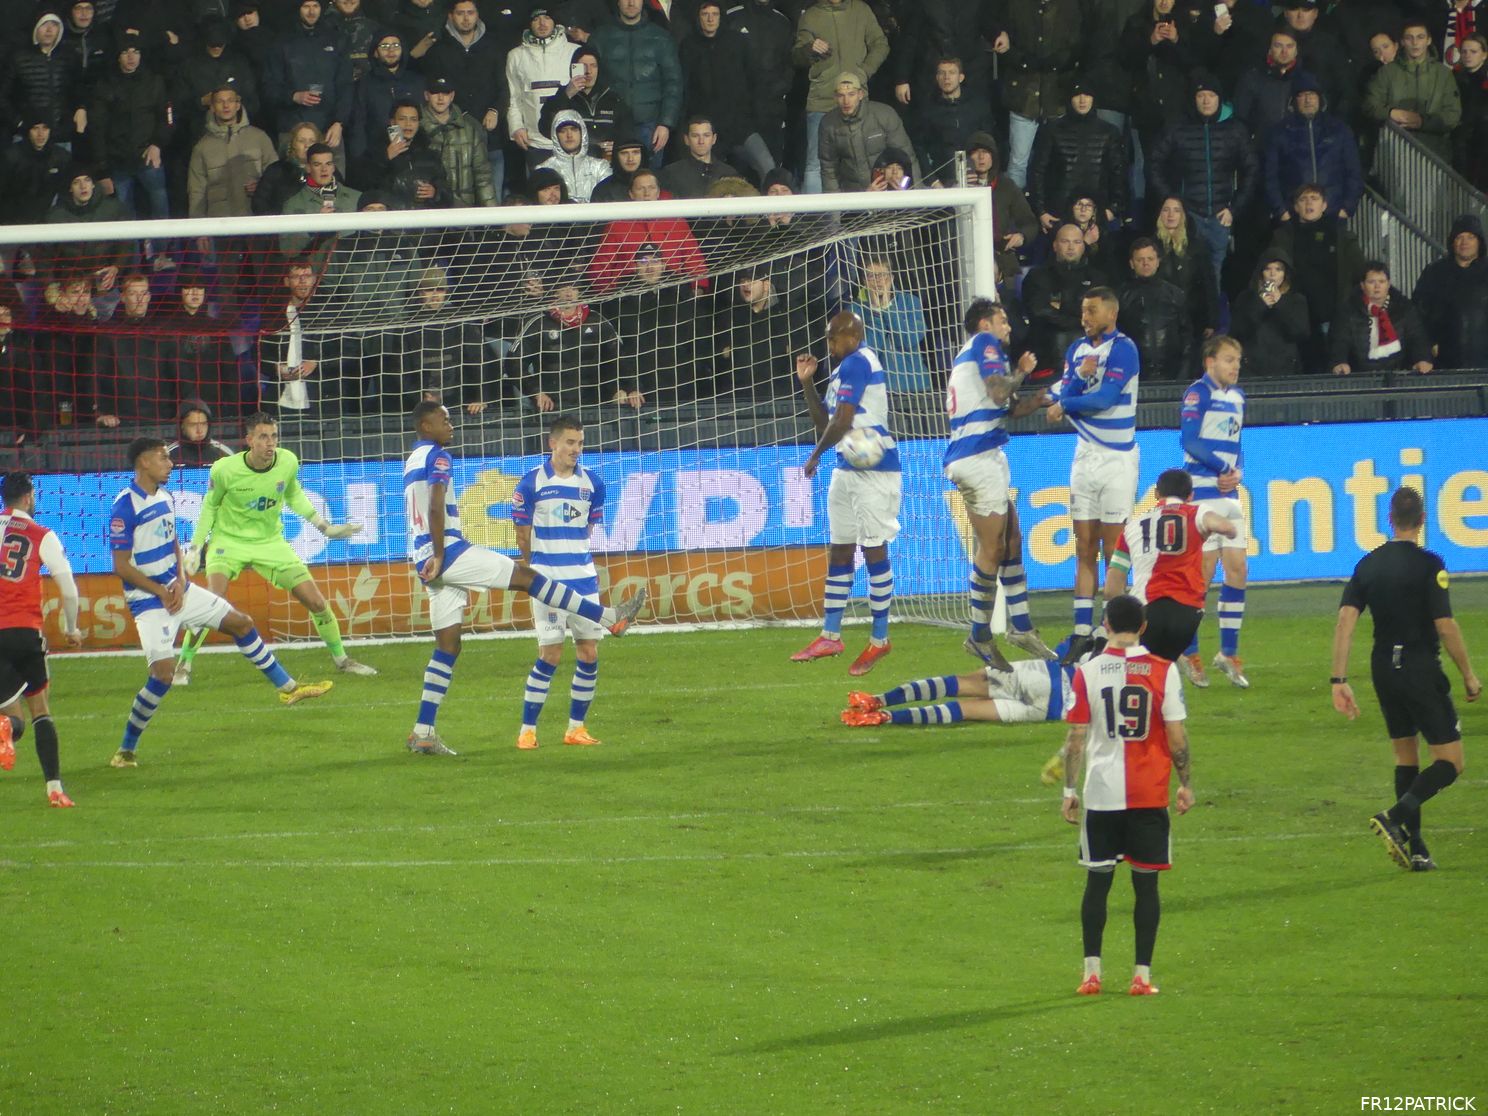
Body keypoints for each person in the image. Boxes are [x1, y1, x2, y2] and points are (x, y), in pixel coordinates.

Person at [403, 401, 646, 755]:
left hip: (422, 557)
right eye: (444, 419)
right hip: (446, 553)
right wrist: (441, 554)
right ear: (426, 426)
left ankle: (423, 731)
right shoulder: (439, 457)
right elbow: (436, 506)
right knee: (526, 576)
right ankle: (609, 616)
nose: (451, 424)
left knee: (449, 646)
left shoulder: (411, 459)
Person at [109, 437, 333, 769]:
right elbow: (121, 565)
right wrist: (161, 592)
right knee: (163, 675)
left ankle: (289, 688)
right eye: (162, 458)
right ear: (143, 463)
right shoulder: (125, 506)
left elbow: (172, 540)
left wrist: (183, 581)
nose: (169, 463)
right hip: (149, 601)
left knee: (241, 623)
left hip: (178, 590)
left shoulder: (166, 497)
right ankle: (125, 750)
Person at [1332, 486, 1482, 871]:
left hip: (1383, 667)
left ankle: (1416, 848)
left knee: (1406, 755)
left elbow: (1346, 621)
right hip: (1418, 666)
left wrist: (1338, 679)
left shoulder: (1368, 564)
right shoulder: (1430, 565)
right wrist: (1468, 674)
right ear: (1423, 520)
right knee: (1451, 761)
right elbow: (1445, 626)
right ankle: (1394, 817)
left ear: (1389, 520)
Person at [173, 411, 377, 685]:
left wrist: (324, 526)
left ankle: (343, 660)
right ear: (249, 440)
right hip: (228, 542)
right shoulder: (224, 469)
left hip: (270, 542)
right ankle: (183, 664)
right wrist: (197, 546)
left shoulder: (287, 462)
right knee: (212, 601)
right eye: (263, 437)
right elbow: (210, 506)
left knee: (315, 601)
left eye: (274, 437)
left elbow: (293, 495)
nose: (270, 443)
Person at [1060, 593, 1194, 998]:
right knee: (1146, 887)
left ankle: (1091, 974)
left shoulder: (1087, 671)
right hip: (1149, 795)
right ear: (1144, 626)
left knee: (1097, 882)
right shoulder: (1164, 670)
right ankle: (1142, 976)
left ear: (1104, 624)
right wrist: (1186, 783)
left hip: (1101, 794)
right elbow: (1177, 736)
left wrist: (1069, 789)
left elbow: (1076, 738)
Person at [944, 297, 1057, 670]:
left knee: (1011, 541)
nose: (1008, 326)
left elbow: (1005, 407)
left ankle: (1022, 627)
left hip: (984, 453)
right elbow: (999, 392)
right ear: (985, 324)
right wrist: (1023, 372)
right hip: (976, 458)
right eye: (1003, 319)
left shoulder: (973, 357)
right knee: (991, 548)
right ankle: (979, 636)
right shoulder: (983, 344)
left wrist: (1037, 400)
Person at [790, 311, 900, 676]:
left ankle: (880, 640)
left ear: (850, 335)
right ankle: (830, 635)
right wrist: (807, 383)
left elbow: (843, 422)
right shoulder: (840, 372)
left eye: (832, 338)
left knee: (873, 549)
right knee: (840, 549)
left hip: (874, 470)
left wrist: (814, 455)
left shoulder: (859, 362)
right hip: (847, 466)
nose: (829, 345)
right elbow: (826, 421)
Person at [1044, 287, 1140, 661]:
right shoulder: (1076, 350)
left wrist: (1065, 403)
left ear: (1111, 314)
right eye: (1083, 311)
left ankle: (1108, 630)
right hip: (1085, 456)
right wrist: (1076, 383)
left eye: (1092, 311)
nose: (1085, 317)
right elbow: (1068, 388)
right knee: (1084, 547)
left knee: (1113, 550)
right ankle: (1082, 632)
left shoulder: (1124, 349)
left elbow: (1105, 399)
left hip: (1117, 459)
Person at [510, 416, 612, 750]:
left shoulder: (594, 484)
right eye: (570, 442)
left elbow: (587, 531)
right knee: (550, 655)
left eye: (580, 443)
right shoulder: (530, 485)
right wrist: (538, 568)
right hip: (548, 583)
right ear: (552, 443)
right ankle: (527, 730)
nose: (576, 449)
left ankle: (576, 728)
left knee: (589, 652)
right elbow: (522, 535)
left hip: (583, 581)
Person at [0, 472, 83, 808]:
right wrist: (72, 628)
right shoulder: (40, 534)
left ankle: (6, 728)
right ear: (30, 497)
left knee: (9, 713)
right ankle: (54, 788)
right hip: (25, 632)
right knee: (41, 712)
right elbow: (68, 588)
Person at [1101, 467, 1237, 661]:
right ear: (1190, 495)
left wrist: (1115, 621)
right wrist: (1230, 532)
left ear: (1156, 493)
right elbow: (1225, 527)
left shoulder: (1132, 527)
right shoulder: (1196, 512)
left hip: (1146, 611)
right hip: (1188, 614)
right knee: (1164, 666)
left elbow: (1112, 586)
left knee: (1137, 670)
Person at [1179, 335, 1249, 687]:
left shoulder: (1238, 397)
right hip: (1202, 494)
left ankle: (1228, 653)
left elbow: (1237, 444)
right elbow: (1189, 441)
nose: (1235, 366)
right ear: (1210, 362)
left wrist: (1237, 471)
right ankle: (1190, 652)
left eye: (1237, 360)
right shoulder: (1197, 394)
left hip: (1229, 492)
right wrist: (1222, 469)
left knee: (1237, 571)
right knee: (1200, 580)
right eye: (1228, 359)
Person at [840, 650, 1087, 727]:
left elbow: (1067, 649)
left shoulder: (1104, 645)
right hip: (1051, 711)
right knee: (965, 710)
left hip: (1048, 677)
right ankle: (884, 718)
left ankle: (878, 701)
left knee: (960, 683)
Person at [793, 0, 890, 193]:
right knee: (815, 166)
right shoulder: (811, 15)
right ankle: (817, 223)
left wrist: (863, 72)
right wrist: (809, 49)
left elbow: (880, 44)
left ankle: (865, 218)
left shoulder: (861, 10)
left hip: (856, 102)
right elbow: (797, 57)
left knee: (862, 161)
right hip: (822, 100)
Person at [589, 0, 684, 168]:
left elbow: (673, 84)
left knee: (648, 183)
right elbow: (590, 83)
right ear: (617, 3)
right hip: (609, 124)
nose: (631, 2)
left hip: (650, 124)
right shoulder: (600, 37)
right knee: (609, 179)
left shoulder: (661, 38)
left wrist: (666, 124)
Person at [1364, 17, 1462, 161]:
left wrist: (1422, 122)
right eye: (1409, 38)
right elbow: (1369, 106)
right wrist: (1390, 113)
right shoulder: (1387, 72)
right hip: (1394, 152)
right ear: (1402, 42)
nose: (1415, 43)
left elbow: (1452, 115)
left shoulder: (1443, 74)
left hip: (1435, 154)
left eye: (1420, 37)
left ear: (1428, 40)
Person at [817, 72, 921, 193]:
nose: (846, 101)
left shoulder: (884, 114)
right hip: (854, 198)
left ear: (860, 94)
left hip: (890, 192)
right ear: (835, 97)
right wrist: (835, 209)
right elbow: (829, 171)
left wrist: (909, 194)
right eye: (841, 95)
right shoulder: (828, 124)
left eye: (851, 94)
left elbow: (907, 158)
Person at [188, 86, 279, 219]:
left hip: (256, 220)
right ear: (212, 107)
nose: (226, 105)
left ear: (238, 105)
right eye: (220, 101)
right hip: (219, 223)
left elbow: (276, 178)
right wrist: (199, 230)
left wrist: (261, 187)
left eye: (230, 100)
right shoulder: (202, 147)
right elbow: (196, 192)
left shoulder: (259, 137)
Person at [1329, 261, 1433, 375]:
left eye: (1382, 281)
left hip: (1399, 375)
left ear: (1388, 284)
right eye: (1371, 282)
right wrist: (1339, 362)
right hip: (1358, 376)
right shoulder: (1347, 311)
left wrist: (1422, 359)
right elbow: (1340, 341)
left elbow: (1417, 337)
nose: (1377, 286)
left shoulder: (1405, 308)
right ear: (1362, 285)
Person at [505, 5, 574, 170]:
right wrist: (516, 127)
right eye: (536, 19)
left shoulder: (574, 52)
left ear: (555, 22)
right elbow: (513, 97)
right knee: (541, 192)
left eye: (547, 18)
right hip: (534, 142)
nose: (542, 24)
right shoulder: (515, 56)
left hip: (570, 141)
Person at [848, 255, 928, 393]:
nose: (877, 281)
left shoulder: (910, 302)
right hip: (876, 391)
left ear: (891, 277)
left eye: (882, 275)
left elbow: (907, 340)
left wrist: (887, 308)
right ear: (864, 281)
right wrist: (877, 311)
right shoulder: (855, 310)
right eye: (871, 276)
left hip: (915, 388)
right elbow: (868, 352)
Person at [1228, 249, 1309, 377]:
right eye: (1268, 269)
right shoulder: (1246, 298)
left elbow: (1300, 332)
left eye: (1278, 269)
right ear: (1261, 273)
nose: (1272, 274)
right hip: (1251, 369)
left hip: (1285, 369)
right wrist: (1260, 305)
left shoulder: (1296, 300)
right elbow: (1237, 332)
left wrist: (1280, 304)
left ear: (1285, 274)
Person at [419, 77, 498, 208]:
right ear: (426, 95)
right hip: (428, 211)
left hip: (464, 210)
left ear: (452, 96)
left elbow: (482, 175)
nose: (440, 98)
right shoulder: (417, 128)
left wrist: (492, 214)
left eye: (445, 93)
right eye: (435, 92)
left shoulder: (469, 128)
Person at [658, 115, 740, 199]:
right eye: (695, 136)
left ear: (714, 139)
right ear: (686, 140)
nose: (701, 141)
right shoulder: (671, 173)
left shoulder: (729, 173)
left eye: (706, 135)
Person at [538, 109, 611, 201]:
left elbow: (608, 200)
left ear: (582, 133)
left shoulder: (601, 167)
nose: (569, 135)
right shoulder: (544, 170)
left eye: (574, 129)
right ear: (555, 136)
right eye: (563, 131)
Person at [167, 402, 235, 468]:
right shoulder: (168, 455)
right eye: (193, 425)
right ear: (182, 426)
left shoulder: (223, 453)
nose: (199, 430)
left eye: (203, 424)